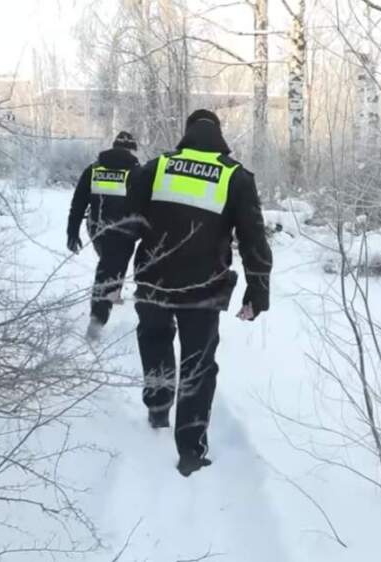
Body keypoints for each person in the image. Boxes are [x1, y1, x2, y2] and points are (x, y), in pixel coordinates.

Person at [120, 109, 272, 477]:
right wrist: (257, 291)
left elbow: (127, 224)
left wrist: (112, 273)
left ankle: (158, 409)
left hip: (154, 281)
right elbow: (253, 240)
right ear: (218, 137)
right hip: (203, 290)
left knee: (154, 340)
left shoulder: (156, 168)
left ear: (187, 135)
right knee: (197, 367)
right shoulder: (236, 178)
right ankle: (191, 452)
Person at [67, 131, 140, 340]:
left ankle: (112, 294)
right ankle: (97, 320)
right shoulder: (137, 172)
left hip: (97, 230)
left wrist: (72, 231)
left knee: (109, 265)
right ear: (132, 149)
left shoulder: (94, 169)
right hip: (124, 232)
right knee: (109, 271)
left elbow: (79, 202)